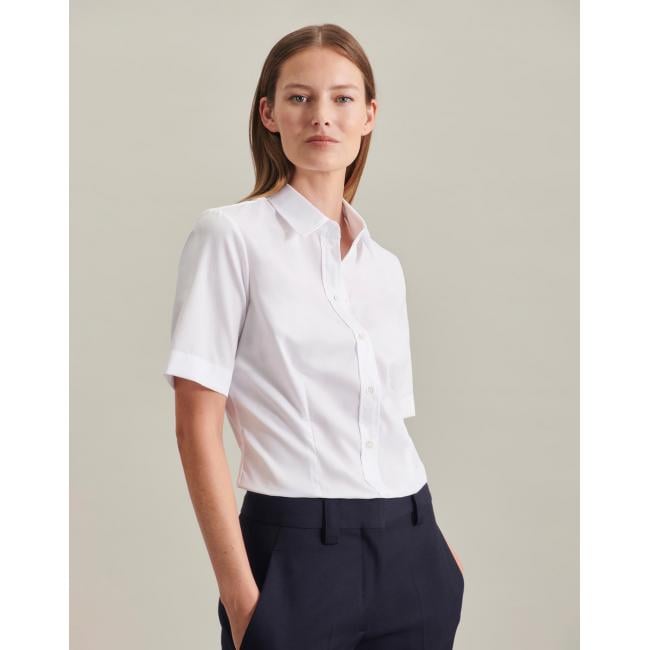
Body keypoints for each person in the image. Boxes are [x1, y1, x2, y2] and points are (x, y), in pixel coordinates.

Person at [163, 23, 465, 650]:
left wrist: (443, 560)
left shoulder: (383, 267)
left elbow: (385, 426)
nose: (322, 115)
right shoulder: (230, 237)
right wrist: (242, 600)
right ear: (269, 114)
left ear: (369, 115)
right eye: (299, 97)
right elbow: (195, 427)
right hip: (296, 553)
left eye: (342, 98)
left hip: (413, 550)